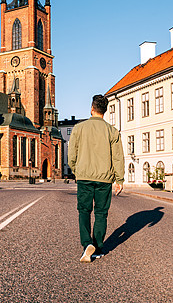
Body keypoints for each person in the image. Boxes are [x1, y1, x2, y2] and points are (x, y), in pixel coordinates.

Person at [67, 94, 124, 263]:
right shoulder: (112, 131)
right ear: (104, 111)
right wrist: (119, 180)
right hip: (104, 179)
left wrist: (76, 171)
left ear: (92, 108)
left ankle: (87, 244)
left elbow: (72, 154)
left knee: (84, 211)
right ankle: (98, 248)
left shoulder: (79, 128)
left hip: (84, 177)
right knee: (101, 213)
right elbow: (118, 157)